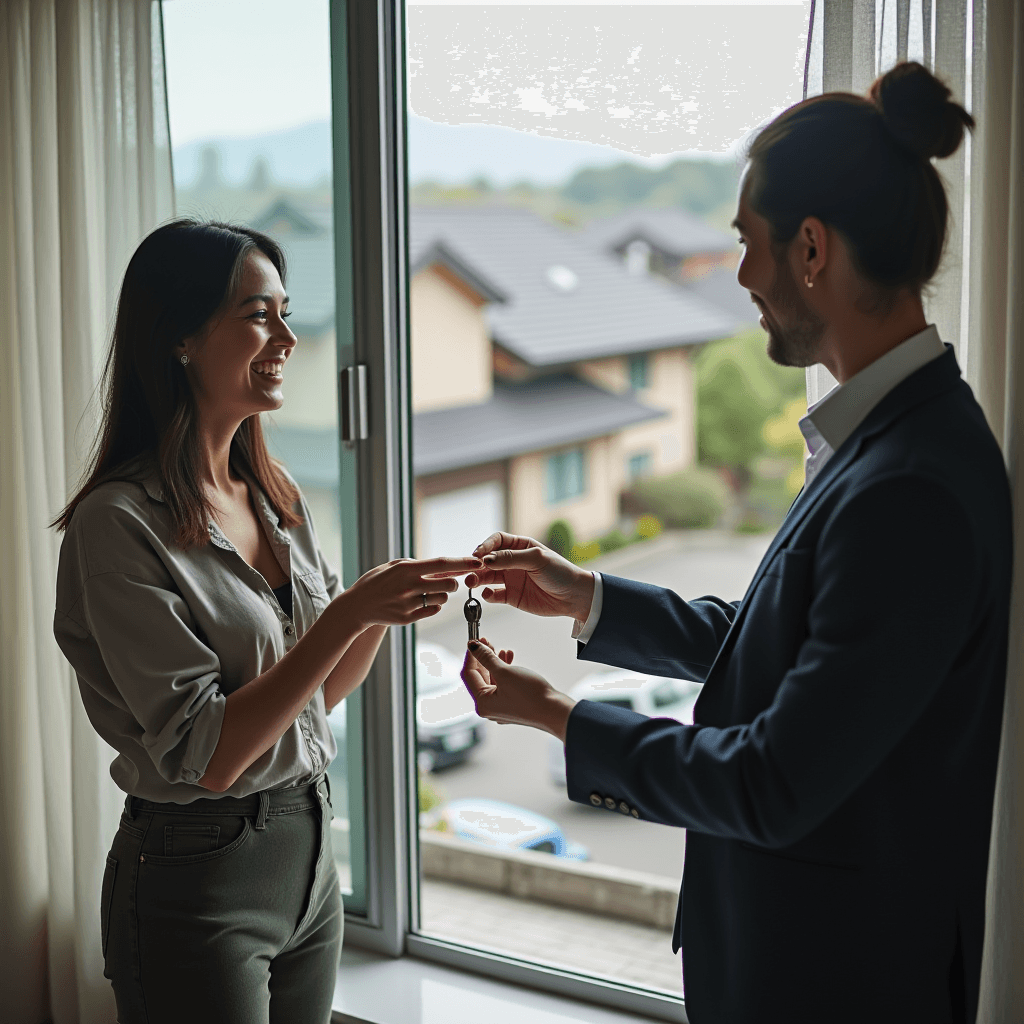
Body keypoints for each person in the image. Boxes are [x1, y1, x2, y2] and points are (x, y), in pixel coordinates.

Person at [458, 62, 1012, 1024]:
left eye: (748, 246)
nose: (745, 279)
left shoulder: (911, 484)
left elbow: (772, 780)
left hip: (840, 984)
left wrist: (558, 717)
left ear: (811, 248)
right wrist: (586, 596)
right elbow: (775, 644)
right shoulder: (880, 443)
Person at [51, 220, 480, 1024]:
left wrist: (384, 611)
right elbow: (210, 756)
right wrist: (348, 611)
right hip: (198, 875)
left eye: (285, 312)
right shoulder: (116, 526)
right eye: (259, 314)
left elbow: (315, 700)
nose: (286, 336)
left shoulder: (274, 495)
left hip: (310, 859)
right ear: (180, 337)